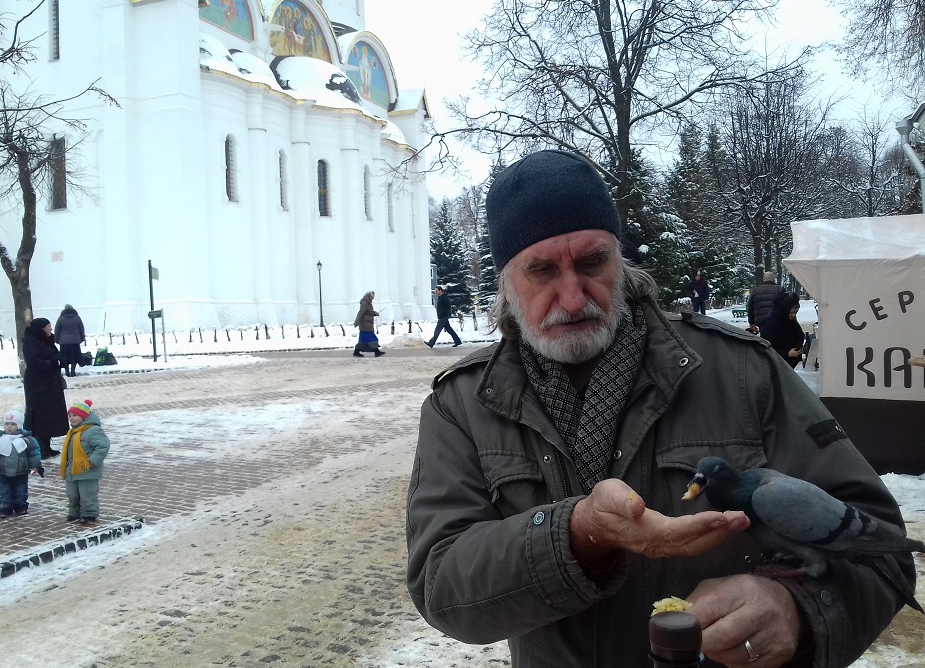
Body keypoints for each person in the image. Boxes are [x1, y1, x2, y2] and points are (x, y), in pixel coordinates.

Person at [405, 149, 912, 668]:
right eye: (541, 271)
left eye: (592, 262)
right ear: (506, 285)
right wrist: (579, 533)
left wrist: (797, 608)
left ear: (620, 262)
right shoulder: (462, 404)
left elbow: (883, 549)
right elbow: (442, 586)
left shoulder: (743, 372)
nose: (574, 298)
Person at [22, 317, 69, 458]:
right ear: (41, 329)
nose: (51, 328)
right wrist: (52, 363)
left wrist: (61, 360)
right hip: (38, 385)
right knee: (39, 417)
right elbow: (33, 362)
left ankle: (47, 447)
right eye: (48, 326)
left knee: (50, 415)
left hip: (51, 384)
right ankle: (40, 449)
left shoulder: (47, 340)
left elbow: (55, 355)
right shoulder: (30, 342)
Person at [60, 399, 110, 524]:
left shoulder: (93, 430)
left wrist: (92, 461)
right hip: (73, 470)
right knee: (72, 494)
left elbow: (103, 446)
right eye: (70, 416)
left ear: (84, 416)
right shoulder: (72, 432)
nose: (71, 418)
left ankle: (89, 513)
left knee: (87, 494)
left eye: (75, 415)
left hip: (88, 470)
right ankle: (74, 512)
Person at [0, 410, 43, 517]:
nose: (9, 427)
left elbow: (34, 453)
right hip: (4, 471)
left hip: (21, 471)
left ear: (19, 425)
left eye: (13, 424)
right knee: (5, 491)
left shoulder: (27, 440)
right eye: (7, 424)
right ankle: (5, 507)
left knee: (21, 490)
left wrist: (35, 465)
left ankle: (21, 506)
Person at [759, 291, 806, 369]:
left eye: (795, 312)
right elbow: (767, 348)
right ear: (784, 310)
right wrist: (787, 354)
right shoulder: (771, 324)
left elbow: (800, 336)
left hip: (791, 363)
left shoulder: (789, 320)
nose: (793, 315)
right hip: (778, 365)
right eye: (791, 312)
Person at [54, 304, 86, 377]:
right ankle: (73, 371)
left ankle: (67, 372)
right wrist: (82, 338)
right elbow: (81, 328)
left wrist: (56, 339)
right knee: (74, 357)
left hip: (64, 342)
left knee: (65, 357)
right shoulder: (77, 318)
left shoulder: (61, 318)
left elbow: (57, 330)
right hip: (75, 341)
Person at [352, 290, 385, 357]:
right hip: (365, 325)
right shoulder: (365, 303)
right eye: (372, 296)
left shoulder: (368, 303)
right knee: (373, 339)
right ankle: (377, 352)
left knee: (363, 342)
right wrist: (356, 322)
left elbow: (368, 311)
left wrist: (374, 313)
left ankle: (356, 352)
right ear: (369, 296)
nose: (373, 298)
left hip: (367, 324)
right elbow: (361, 312)